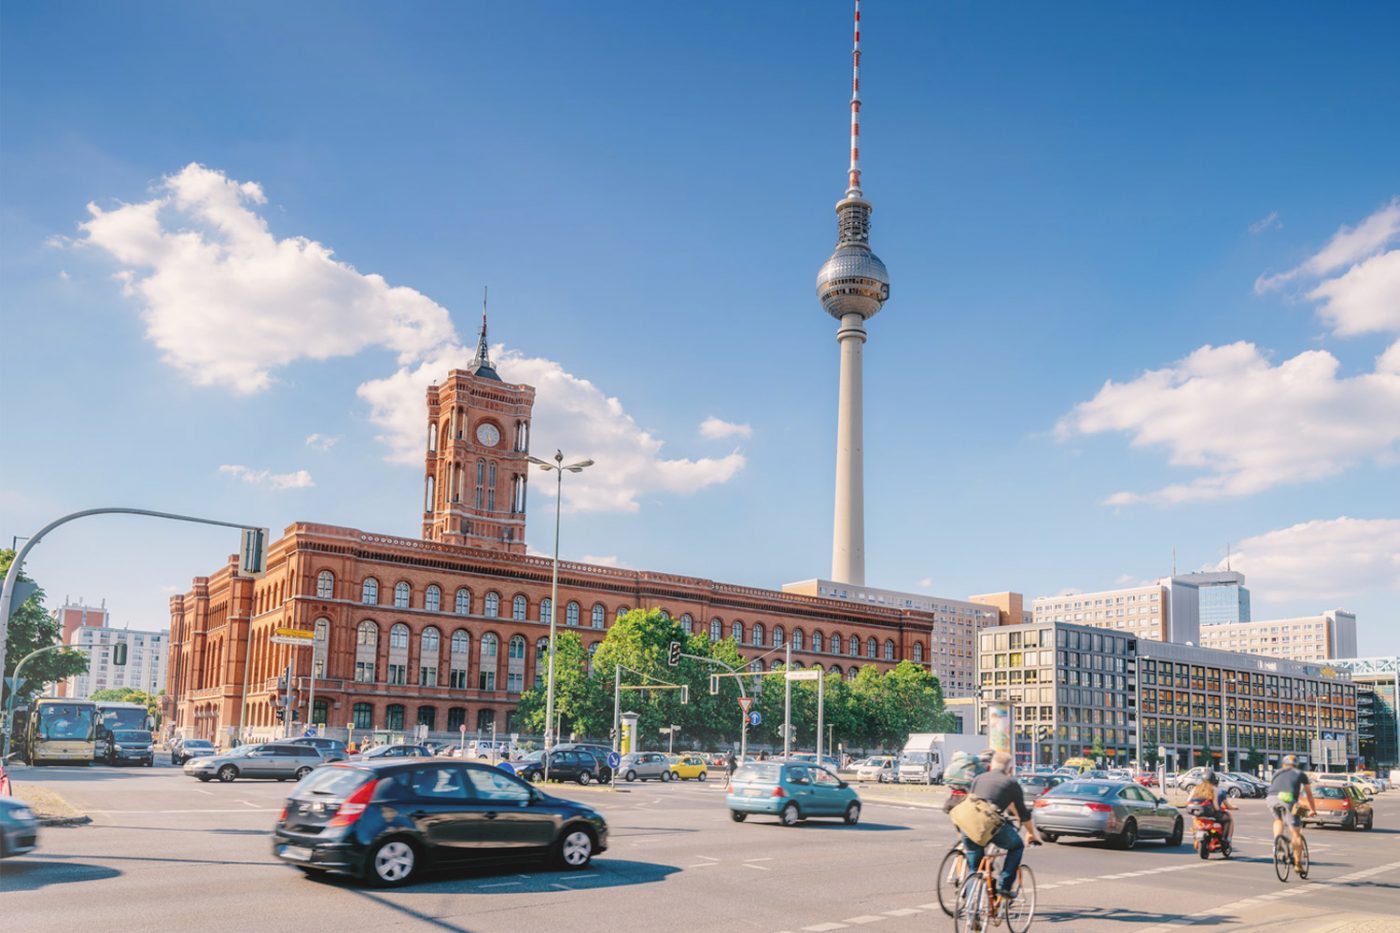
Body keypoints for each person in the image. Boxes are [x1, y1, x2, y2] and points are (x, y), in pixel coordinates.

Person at [961, 751, 1041, 898]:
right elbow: (1023, 814)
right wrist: (1031, 833)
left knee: (975, 868)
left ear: (991, 766)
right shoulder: (1011, 783)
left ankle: (970, 906)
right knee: (1017, 846)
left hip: (968, 825)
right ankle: (1004, 886)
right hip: (990, 826)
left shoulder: (978, 778)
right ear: (1009, 769)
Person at [1266, 755, 1316, 867]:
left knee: (1278, 819)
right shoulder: (1300, 774)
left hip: (1271, 798)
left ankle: (1277, 839)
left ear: (1284, 764)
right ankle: (1298, 864)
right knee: (1295, 833)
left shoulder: (1277, 773)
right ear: (1296, 765)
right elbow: (1309, 793)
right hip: (1287, 798)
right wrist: (1312, 810)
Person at [1188, 769, 1234, 844]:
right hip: (1210, 814)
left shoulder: (1195, 788)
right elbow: (1216, 806)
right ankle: (1224, 839)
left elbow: (1188, 801)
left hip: (1197, 814)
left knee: (1195, 821)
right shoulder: (1213, 789)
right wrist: (1219, 810)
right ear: (1213, 780)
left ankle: (1195, 834)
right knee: (1228, 819)